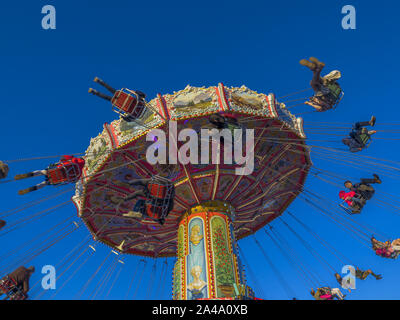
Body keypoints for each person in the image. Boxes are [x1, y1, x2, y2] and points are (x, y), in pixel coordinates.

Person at [110, 175, 175, 225]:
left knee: (140, 197)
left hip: (155, 201)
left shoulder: (151, 184)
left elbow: (140, 182)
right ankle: (127, 190)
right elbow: (170, 206)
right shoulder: (166, 197)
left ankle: (127, 188)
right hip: (159, 204)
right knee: (140, 195)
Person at [14, 155, 85, 195]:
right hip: (60, 179)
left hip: (56, 171)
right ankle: (30, 189)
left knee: (41, 172)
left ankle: (27, 175)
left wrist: (58, 162)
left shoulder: (74, 159)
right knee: (44, 184)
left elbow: (63, 158)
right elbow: (74, 180)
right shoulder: (80, 172)